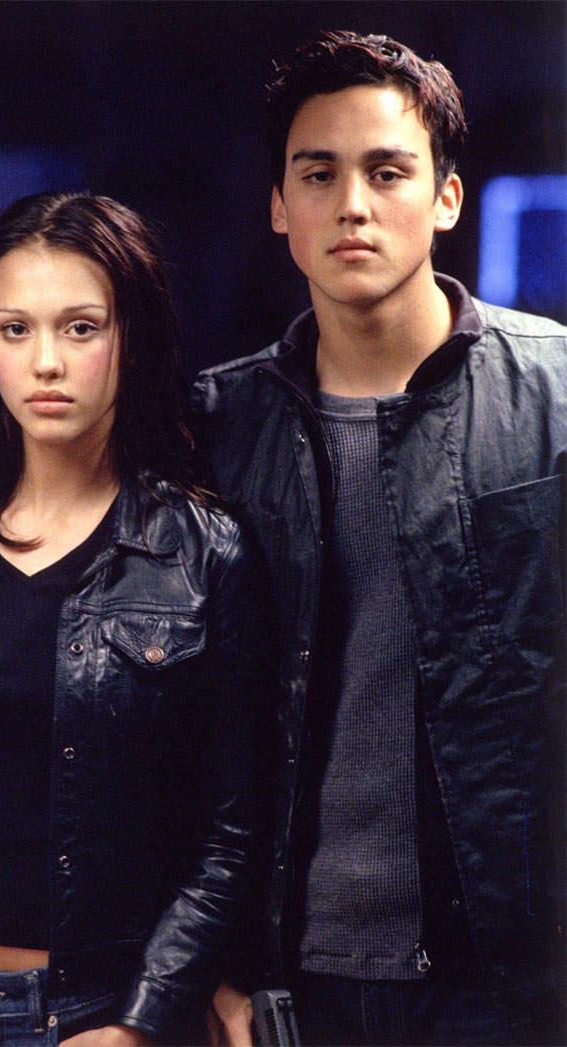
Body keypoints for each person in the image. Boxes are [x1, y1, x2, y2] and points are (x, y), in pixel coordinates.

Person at [191, 30, 566, 1047]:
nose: (352, 204)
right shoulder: (216, 426)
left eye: (387, 171)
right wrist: (211, 968)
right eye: (318, 175)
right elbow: (175, 726)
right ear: (280, 205)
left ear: (446, 197)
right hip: (287, 977)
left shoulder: (554, 395)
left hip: (510, 979)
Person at [0, 191, 267, 1047]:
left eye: (80, 328)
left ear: (133, 339)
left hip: (94, 1017)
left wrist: (141, 1020)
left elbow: (233, 832)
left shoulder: (203, 554)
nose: (45, 361)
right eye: (16, 329)